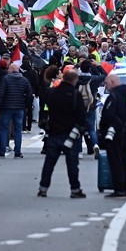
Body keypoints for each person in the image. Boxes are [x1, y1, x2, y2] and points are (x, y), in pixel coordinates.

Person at [36, 68, 87, 198]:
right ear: (74, 80)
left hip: (53, 132)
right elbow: (81, 117)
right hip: (70, 134)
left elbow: (47, 109)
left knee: (49, 164)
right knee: (72, 164)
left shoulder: (53, 93)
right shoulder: (76, 95)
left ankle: (43, 188)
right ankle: (75, 189)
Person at [99, 72, 126, 198]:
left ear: (112, 82)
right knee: (123, 161)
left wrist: (105, 129)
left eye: (106, 83)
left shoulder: (114, 97)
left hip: (116, 134)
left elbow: (109, 115)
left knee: (116, 161)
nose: (105, 86)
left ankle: (120, 188)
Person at [0, 61, 33, 158]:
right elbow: (29, 95)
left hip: (7, 107)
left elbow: (1, 93)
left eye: (9, 69)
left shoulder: (6, 79)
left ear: (11, 70)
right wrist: (27, 106)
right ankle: (18, 151)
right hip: (19, 107)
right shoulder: (24, 80)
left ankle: (2, 151)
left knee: (4, 129)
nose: (8, 70)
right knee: (18, 130)